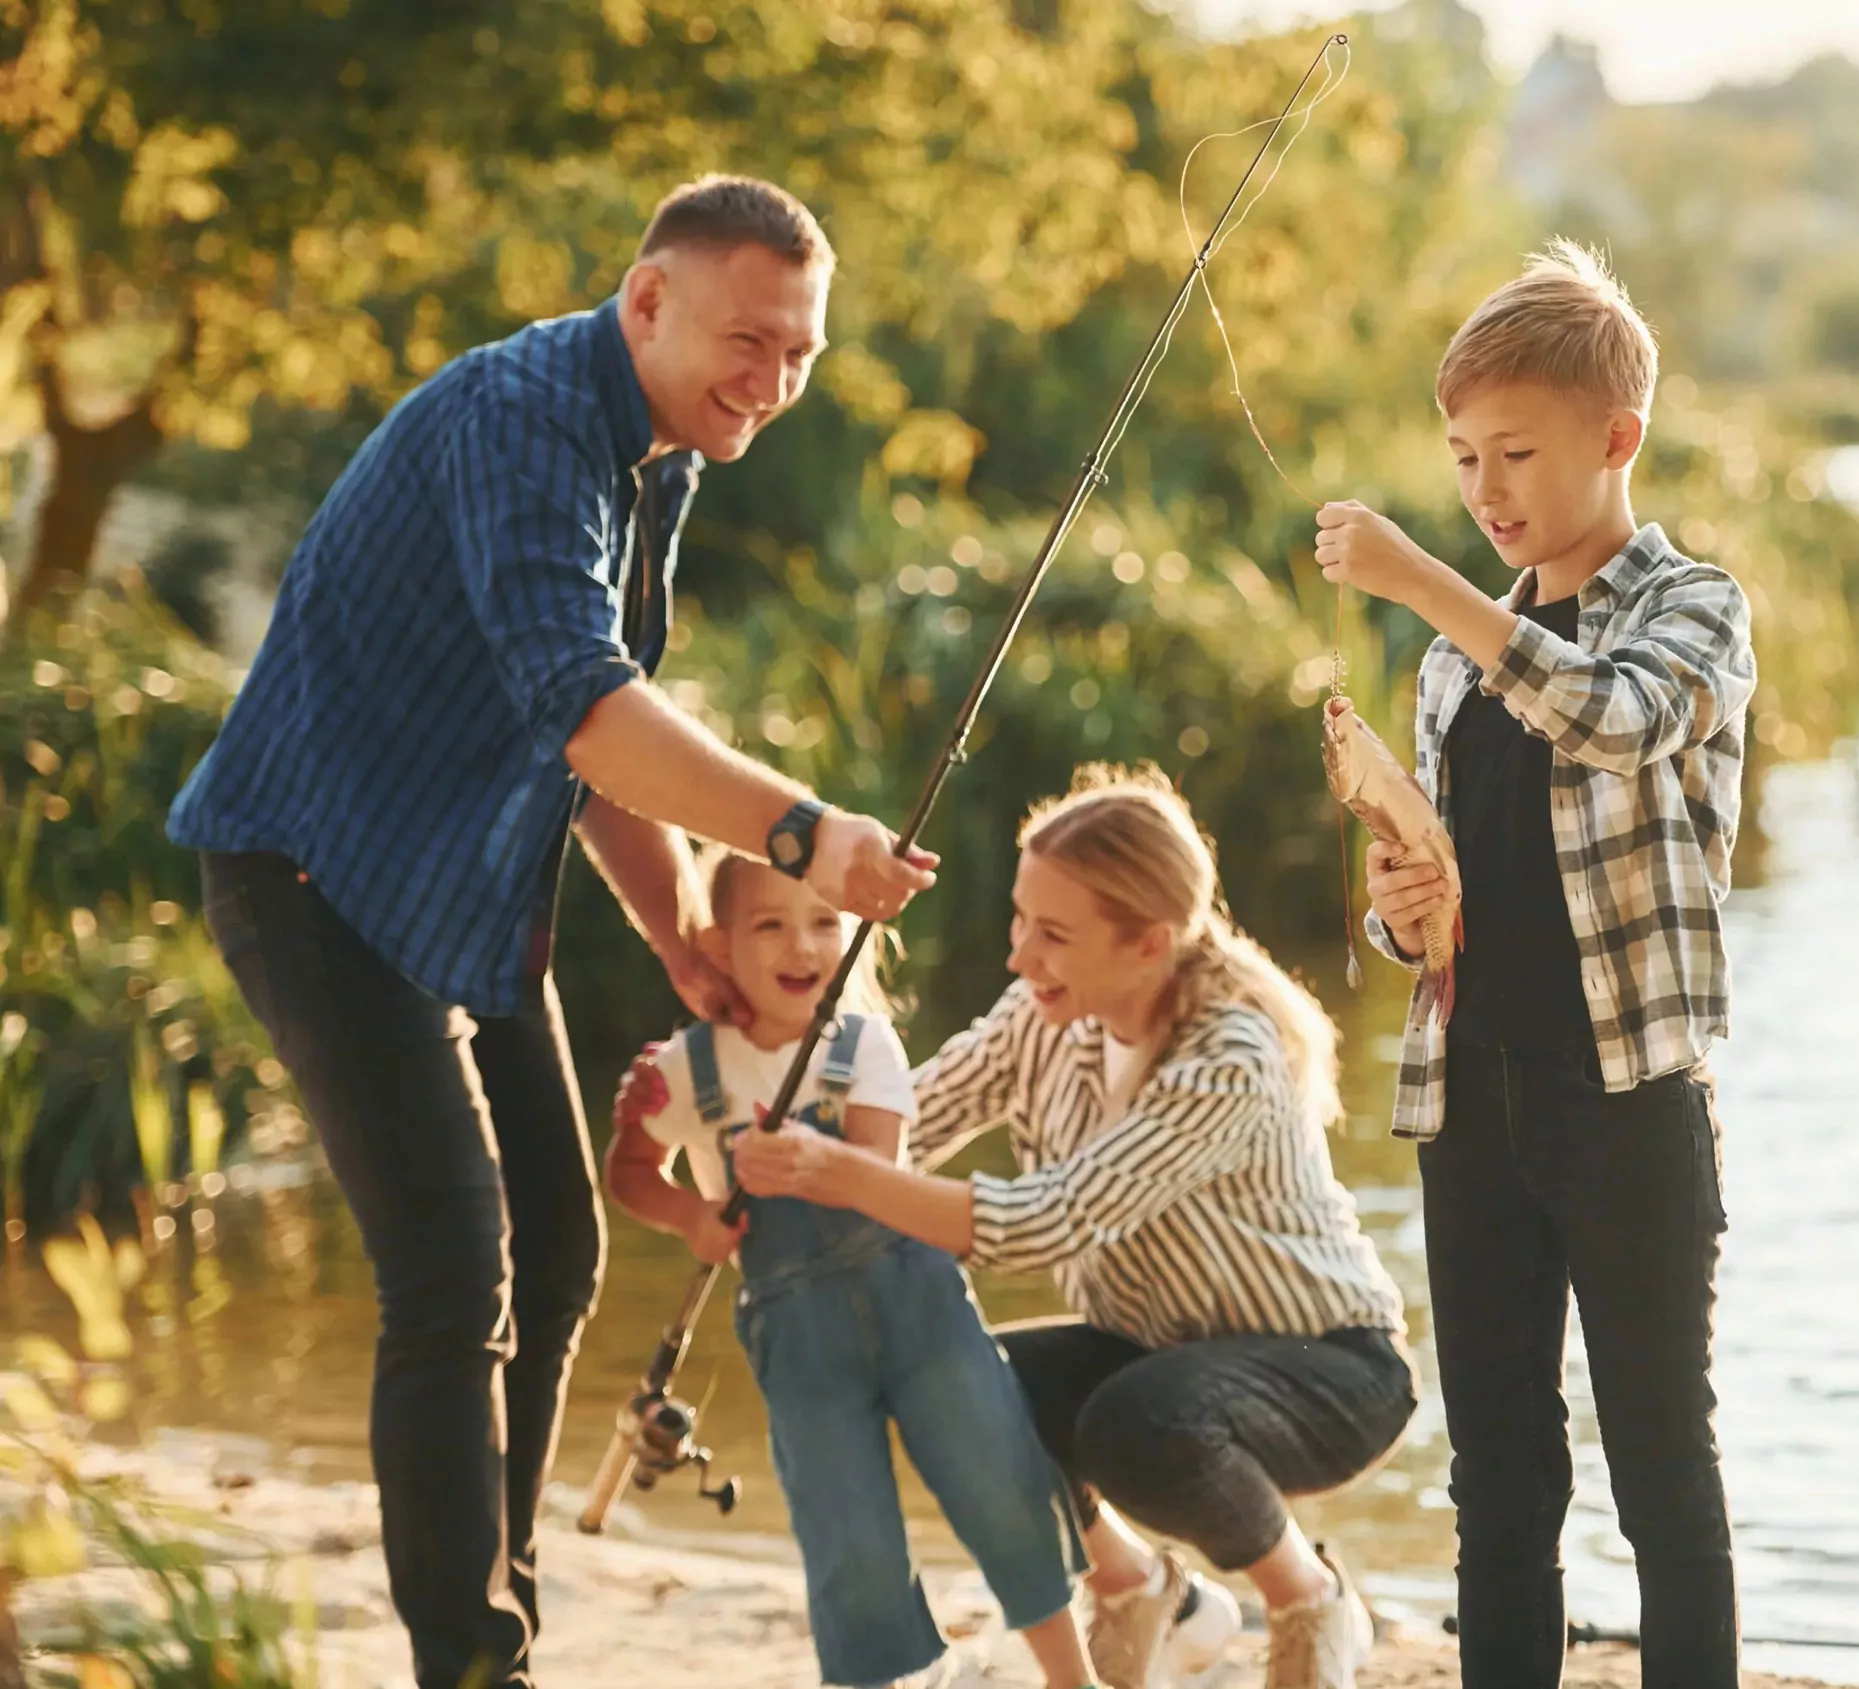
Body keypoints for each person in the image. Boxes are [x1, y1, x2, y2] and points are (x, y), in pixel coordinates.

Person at [167, 175, 936, 1689]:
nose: (772, 383)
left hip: (461, 879)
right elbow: (588, 703)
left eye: (799, 356)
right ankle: (473, 1664)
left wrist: (676, 934)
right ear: (647, 300)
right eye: (748, 340)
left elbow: (588, 746)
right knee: (455, 1279)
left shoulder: (655, 452)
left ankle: (495, 1618)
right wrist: (800, 836)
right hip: (318, 877)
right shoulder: (525, 419)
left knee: (565, 1246)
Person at [1310, 240, 1756, 1689]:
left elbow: (1614, 720)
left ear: (1617, 439)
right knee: (1499, 1480)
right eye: (1461, 459)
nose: (1486, 490)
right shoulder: (1455, 659)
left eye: (1515, 453)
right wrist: (1398, 895)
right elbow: (1447, 888)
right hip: (1475, 1099)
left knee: (1661, 1475)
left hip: (1628, 1100)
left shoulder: (1691, 611)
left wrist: (1429, 582)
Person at [725, 767, 1419, 1689]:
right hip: (1153, 1348)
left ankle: (1308, 1598)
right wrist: (771, 1144)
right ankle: (1146, 1593)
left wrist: (841, 1174)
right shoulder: (1044, 1013)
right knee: (952, 1383)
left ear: (1148, 945)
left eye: (1052, 934)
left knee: (1143, 1420)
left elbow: (1044, 1219)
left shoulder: (1230, 1057)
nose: (1020, 955)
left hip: (1330, 1370)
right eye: (1020, 920)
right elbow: (904, 1118)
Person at [605, 847, 1095, 1689]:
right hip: (797, 1332)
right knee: (847, 1533)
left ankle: (1070, 1676)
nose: (803, 946)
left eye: (824, 922)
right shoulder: (685, 1067)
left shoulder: (865, 1043)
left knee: (997, 1477)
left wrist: (798, 1159)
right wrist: (691, 1215)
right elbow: (628, 1169)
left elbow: (878, 1168)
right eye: (771, 926)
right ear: (718, 948)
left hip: (915, 1301)